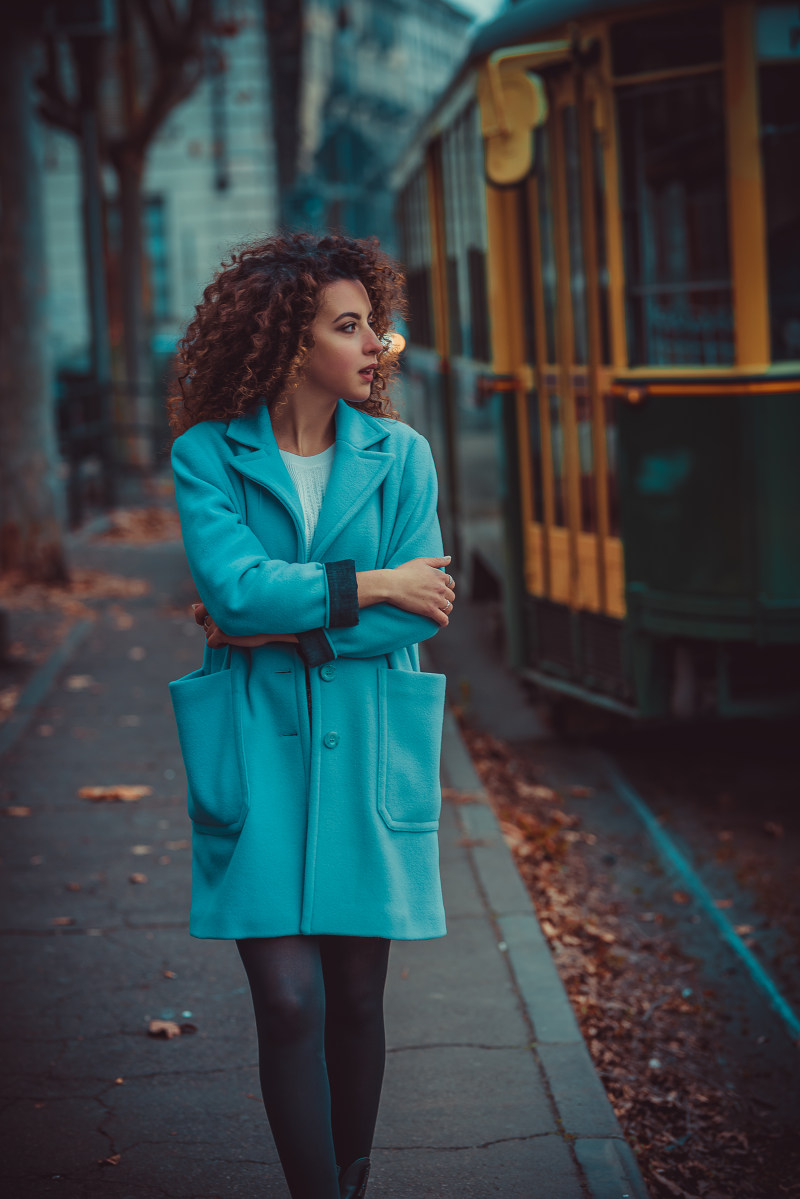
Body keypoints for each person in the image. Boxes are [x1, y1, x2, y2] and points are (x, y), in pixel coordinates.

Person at [167, 231, 455, 1199]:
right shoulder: (206, 455)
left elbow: (426, 608)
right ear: (291, 340)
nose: (376, 341)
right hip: (255, 753)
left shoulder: (401, 454)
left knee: (354, 998)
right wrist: (372, 581)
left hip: (368, 747)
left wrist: (286, 625)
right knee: (287, 1000)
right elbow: (235, 594)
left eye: (371, 322)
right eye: (350, 324)